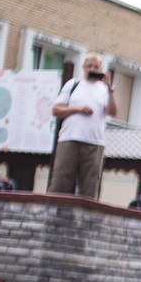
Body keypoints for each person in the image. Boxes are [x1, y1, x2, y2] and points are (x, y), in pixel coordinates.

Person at [50, 54, 117, 198]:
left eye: (96, 67)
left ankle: (86, 219)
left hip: (94, 142)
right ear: (84, 68)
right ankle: (54, 214)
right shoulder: (73, 84)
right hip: (70, 138)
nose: (92, 69)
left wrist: (110, 88)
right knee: (61, 182)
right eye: (89, 66)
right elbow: (56, 110)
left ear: (101, 69)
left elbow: (112, 112)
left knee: (90, 187)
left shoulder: (104, 89)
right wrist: (78, 109)